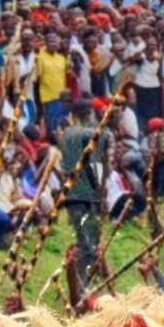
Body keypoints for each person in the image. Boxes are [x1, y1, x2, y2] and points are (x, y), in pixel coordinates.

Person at [59, 99, 108, 283]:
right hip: (83, 194)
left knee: (87, 239)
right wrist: (100, 193)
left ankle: (85, 279)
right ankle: (81, 281)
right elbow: (95, 167)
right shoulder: (87, 135)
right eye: (89, 113)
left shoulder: (68, 135)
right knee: (87, 241)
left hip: (75, 194)